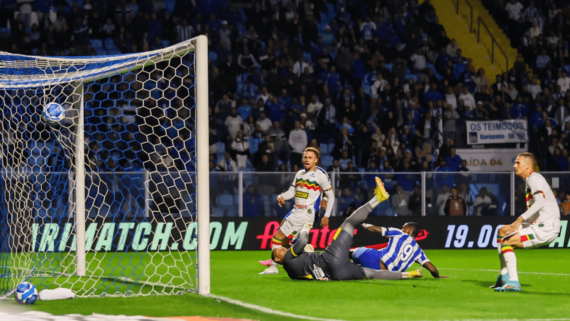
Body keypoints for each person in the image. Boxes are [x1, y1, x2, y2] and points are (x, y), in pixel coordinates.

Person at [271, 177, 423, 281]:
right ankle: (379, 198)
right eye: (278, 250)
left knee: (372, 274)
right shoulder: (288, 258)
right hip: (329, 260)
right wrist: (306, 227)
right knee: (349, 223)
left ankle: (409, 274)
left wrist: (307, 254)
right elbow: (303, 240)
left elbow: (308, 270)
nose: (282, 248)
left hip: (335, 275)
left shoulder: (291, 273)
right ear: (278, 259)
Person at [492, 152, 561, 292]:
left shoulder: (534, 178)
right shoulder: (530, 179)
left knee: (506, 241)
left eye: (518, 163)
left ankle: (513, 282)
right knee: (502, 231)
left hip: (545, 228)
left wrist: (519, 220)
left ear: (528, 165)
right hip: (538, 224)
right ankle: (503, 276)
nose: (514, 165)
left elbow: (540, 203)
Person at [259, 147, 335, 274]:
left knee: (277, 238)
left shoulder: (320, 175)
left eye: (310, 158)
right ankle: (313, 262)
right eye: (305, 157)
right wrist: (282, 196)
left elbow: (331, 195)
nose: (307, 160)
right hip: (296, 211)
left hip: (305, 213)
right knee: (288, 242)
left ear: (316, 160)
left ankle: (274, 267)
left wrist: (326, 215)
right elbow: (292, 192)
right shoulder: (299, 174)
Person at [351, 222, 446, 278]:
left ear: (409, 231)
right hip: (385, 275)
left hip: (373, 259)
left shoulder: (400, 233)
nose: (402, 229)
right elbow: (432, 269)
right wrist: (438, 277)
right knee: (354, 269)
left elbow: (374, 229)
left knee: (351, 252)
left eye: (403, 228)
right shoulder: (418, 251)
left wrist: (365, 225)